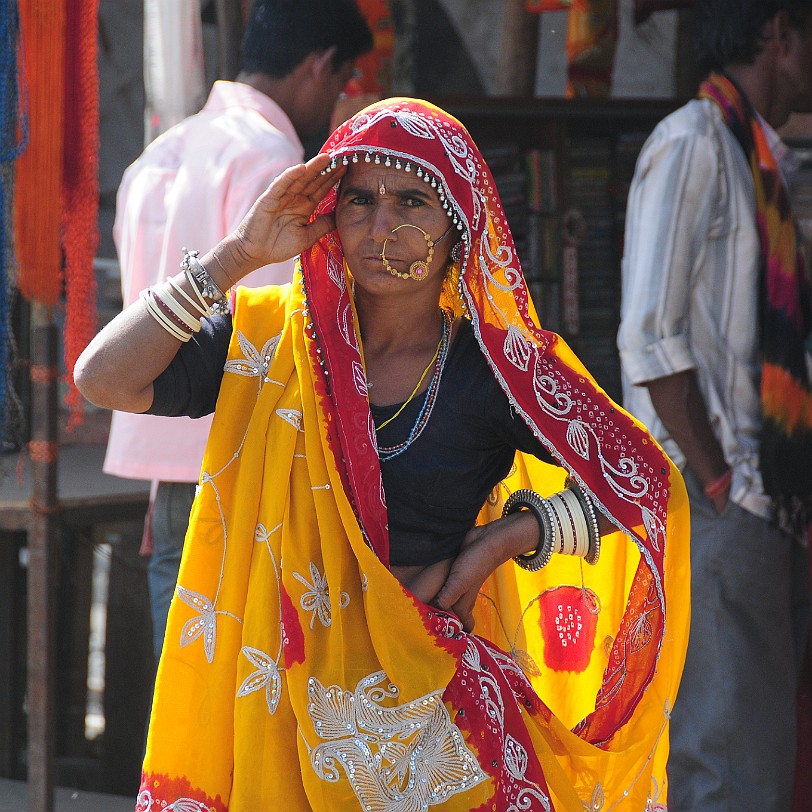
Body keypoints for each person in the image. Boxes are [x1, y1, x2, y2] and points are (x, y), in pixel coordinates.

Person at [77, 98, 689, 810]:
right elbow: (104, 378)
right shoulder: (268, 343)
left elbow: (643, 485)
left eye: (412, 203)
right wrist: (236, 255)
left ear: (460, 227)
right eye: (360, 200)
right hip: (274, 718)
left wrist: (507, 538)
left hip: (431, 734)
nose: (382, 227)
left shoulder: (496, 370)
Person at [104, 0, 373, 662]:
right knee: (233, 697)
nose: (334, 101)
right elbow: (282, 333)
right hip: (240, 462)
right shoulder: (272, 160)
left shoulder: (158, 153)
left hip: (162, 447)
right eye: (339, 84)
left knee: (186, 696)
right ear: (318, 67)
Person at [617, 2, 812, 809]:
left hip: (763, 507)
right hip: (718, 503)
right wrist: (718, 483)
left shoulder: (757, 157)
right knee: (728, 771)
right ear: (778, 35)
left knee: (754, 760)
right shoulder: (695, 145)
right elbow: (651, 342)